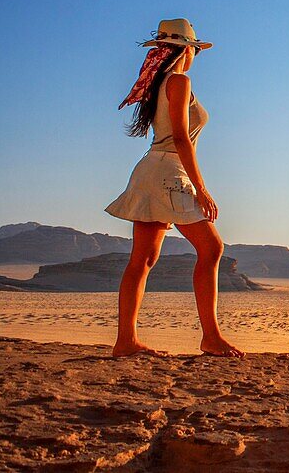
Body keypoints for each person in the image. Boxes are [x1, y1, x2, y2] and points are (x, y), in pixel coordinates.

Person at [104, 18, 244, 358]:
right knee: (211, 248)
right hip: (169, 172)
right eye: (195, 49)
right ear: (187, 50)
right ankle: (210, 337)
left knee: (143, 259)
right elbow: (181, 138)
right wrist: (202, 188)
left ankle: (126, 342)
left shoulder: (159, 82)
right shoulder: (179, 81)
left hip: (152, 169)